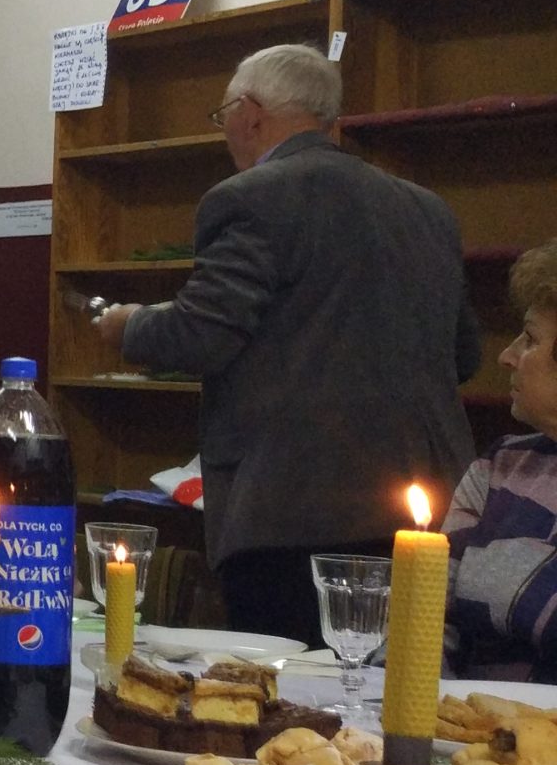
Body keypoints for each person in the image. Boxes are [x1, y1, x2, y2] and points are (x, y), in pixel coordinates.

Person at [97, 43, 478, 644]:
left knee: (290, 689)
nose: (225, 131)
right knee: (396, 690)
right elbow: (464, 356)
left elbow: (202, 334)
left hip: (292, 513)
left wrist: (129, 325)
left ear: (249, 113)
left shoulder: (250, 196)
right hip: (423, 514)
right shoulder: (429, 210)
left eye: (223, 116)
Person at [446, 239, 557, 681]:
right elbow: (426, 621)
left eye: (529, 339)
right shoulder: (501, 467)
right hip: (464, 718)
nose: (506, 356)